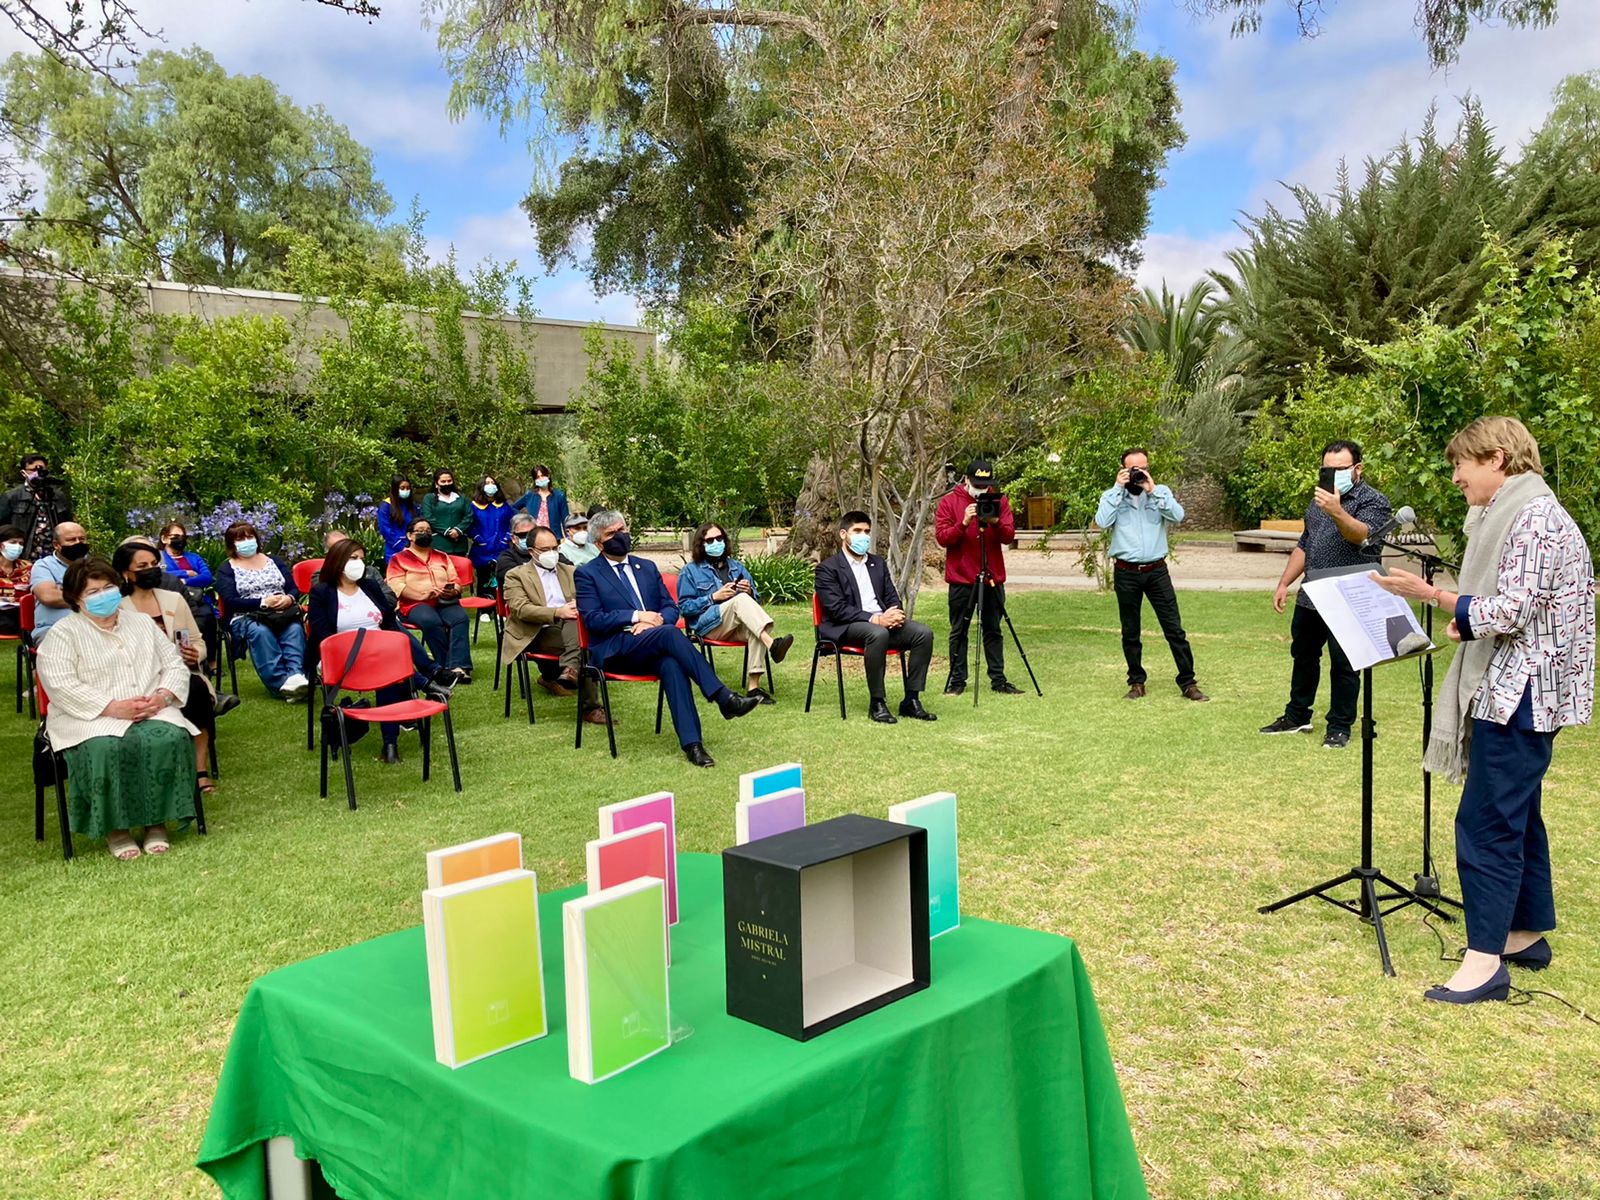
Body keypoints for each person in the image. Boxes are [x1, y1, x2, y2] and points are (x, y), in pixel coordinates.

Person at [1371, 416, 1595, 1005]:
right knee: (1519, 813)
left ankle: (1484, 961)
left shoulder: (1533, 518)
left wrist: (1438, 598)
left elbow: (1512, 608)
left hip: (1522, 691)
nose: (1455, 478)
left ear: (1497, 459)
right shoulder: (1526, 511)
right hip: (1527, 687)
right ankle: (1524, 934)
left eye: (1461, 465)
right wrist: (1458, 606)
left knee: (1486, 821)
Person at [35, 557, 197, 861]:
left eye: (108, 588)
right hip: (89, 717)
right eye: (92, 592)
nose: (103, 596)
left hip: (151, 706)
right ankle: (116, 829)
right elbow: (60, 685)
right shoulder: (63, 634)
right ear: (75, 599)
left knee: (167, 737)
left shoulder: (141, 623)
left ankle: (156, 823)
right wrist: (111, 707)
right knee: (106, 748)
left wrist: (162, 697)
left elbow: (174, 664)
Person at [574, 510, 760, 766]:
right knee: (670, 635)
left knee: (672, 665)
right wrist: (637, 617)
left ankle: (693, 746)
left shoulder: (646, 567)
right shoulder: (587, 574)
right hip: (615, 650)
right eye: (611, 534)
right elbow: (593, 618)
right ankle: (723, 697)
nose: (620, 536)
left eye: (622, 529)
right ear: (598, 543)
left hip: (654, 643)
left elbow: (671, 607)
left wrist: (657, 621)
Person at [1260, 441, 1393, 749]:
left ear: (1357, 469)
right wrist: (1284, 583)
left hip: (1351, 596)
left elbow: (1361, 535)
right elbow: (1305, 544)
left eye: (1340, 469)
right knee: (1303, 655)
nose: (1332, 475)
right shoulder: (1317, 501)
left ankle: (1339, 725)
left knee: (1344, 663)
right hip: (1313, 594)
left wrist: (1336, 511)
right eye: (1326, 469)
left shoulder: (1374, 501)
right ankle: (1297, 716)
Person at [308, 538, 455, 765]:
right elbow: (324, 635)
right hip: (340, 657)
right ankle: (426, 684)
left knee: (389, 668)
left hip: (379, 654)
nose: (359, 564)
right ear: (338, 561)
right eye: (353, 558)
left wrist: (382, 646)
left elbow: (387, 622)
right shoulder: (322, 592)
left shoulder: (369, 587)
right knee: (388, 666)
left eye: (362, 559)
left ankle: (390, 744)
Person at [1094, 449, 1208, 703]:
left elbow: (1178, 516)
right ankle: (1136, 682)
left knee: (1174, 629)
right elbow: (1102, 522)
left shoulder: (1160, 492)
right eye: (1133, 469)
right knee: (1130, 630)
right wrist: (1116, 488)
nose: (1138, 473)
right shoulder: (1112, 496)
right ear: (1123, 469)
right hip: (1126, 572)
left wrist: (1152, 490)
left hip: (1156, 571)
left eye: (1143, 467)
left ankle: (1188, 682)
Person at [114, 541, 223, 795]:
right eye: (142, 566)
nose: (151, 570)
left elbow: (197, 639)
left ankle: (200, 771)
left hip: (182, 671)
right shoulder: (118, 606)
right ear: (125, 573)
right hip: (138, 678)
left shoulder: (172, 599)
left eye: (154, 564)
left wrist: (195, 654)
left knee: (195, 689)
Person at [815, 511, 936, 724]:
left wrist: (895, 613)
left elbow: (891, 596)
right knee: (877, 633)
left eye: (867, 532)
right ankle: (877, 702)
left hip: (881, 625)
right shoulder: (828, 568)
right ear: (843, 534)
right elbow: (836, 609)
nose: (863, 536)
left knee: (922, 634)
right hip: (846, 627)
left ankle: (911, 699)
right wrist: (875, 619)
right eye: (857, 531)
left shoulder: (877, 563)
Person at [676, 522, 793, 703]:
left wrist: (749, 592)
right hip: (707, 625)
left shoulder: (737, 567)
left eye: (719, 538)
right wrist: (713, 597)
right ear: (701, 544)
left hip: (733, 623)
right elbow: (684, 608)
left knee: (756, 628)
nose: (716, 543)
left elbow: (757, 603)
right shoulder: (690, 571)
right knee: (740, 602)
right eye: (710, 540)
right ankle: (773, 646)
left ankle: (754, 689)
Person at [936, 459, 1022, 696]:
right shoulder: (949, 501)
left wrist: (994, 522)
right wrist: (963, 523)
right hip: (961, 579)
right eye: (977, 484)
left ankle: (998, 679)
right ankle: (957, 680)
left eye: (986, 485)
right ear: (966, 480)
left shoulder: (999, 501)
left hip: (992, 577)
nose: (982, 489)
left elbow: (1009, 536)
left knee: (993, 629)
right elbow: (943, 538)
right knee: (959, 630)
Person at [502, 526, 605, 721]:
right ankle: (589, 705)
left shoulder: (571, 571)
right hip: (535, 631)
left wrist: (579, 604)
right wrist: (558, 612)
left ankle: (571, 669)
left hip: (569, 629)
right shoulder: (516, 575)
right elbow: (521, 609)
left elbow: (592, 599)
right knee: (587, 647)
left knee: (578, 622)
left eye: (555, 548)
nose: (552, 553)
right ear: (531, 551)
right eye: (545, 549)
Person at [215, 522, 308, 700]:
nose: (247, 541)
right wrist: (263, 602)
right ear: (231, 544)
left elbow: (293, 588)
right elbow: (230, 601)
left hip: (282, 612)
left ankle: (296, 677)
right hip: (246, 616)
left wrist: (288, 598)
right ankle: (280, 685)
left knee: (294, 629)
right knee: (261, 632)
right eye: (240, 539)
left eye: (250, 537)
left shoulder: (275, 561)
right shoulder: (226, 568)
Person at [386, 517, 474, 681]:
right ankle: (445, 667)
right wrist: (421, 595)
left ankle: (459, 666)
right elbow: (395, 585)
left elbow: (455, 580)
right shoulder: (398, 559)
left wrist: (453, 590)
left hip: (443, 601)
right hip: (414, 604)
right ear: (410, 536)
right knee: (431, 621)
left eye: (427, 531)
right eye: (420, 531)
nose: (424, 533)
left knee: (460, 618)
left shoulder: (442, 556)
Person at [0, 453, 73, 561]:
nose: (38, 473)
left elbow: (68, 523)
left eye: (42, 469)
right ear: (23, 473)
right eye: (33, 470)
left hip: (53, 553)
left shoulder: (57, 496)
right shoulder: (12, 496)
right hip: (25, 554)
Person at [30, 521, 91, 643]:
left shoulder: (94, 565)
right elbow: (49, 597)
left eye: (82, 539)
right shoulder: (43, 566)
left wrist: (64, 591)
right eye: (71, 540)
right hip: (53, 629)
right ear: (56, 545)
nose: (78, 543)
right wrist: (91, 596)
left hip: (93, 627)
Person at [470, 473, 512, 592]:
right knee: (484, 581)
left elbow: (512, 522)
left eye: (493, 483)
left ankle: (500, 609)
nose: (490, 485)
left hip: (501, 548)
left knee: (502, 581)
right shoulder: (474, 506)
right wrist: (477, 538)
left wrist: (507, 537)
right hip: (483, 550)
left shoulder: (503, 505)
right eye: (487, 483)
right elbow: (469, 524)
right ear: (481, 486)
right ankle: (484, 609)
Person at [418, 469, 474, 558]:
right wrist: (447, 532)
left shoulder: (461, 498)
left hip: (459, 544)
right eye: (443, 481)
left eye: (449, 481)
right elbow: (428, 517)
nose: (447, 484)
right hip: (438, 544)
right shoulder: (429, 498)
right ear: (436, 483)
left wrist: (458, 530)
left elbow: (469, 516)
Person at [512, 464, 569, 532]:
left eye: (542, 475)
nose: (541, 479)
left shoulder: (559, 495)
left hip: (554, 536)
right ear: (535, 480)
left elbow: (566, 519)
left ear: (548, 475)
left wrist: (567, 537)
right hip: (534, 535)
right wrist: (524, 519)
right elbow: (513, 507)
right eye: (537, 477)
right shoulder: (530, 495)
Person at [159, 522, 213, 592]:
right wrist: (186, 573)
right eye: (176, 536)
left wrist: (184, 581)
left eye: (183, 537)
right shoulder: (157, 558)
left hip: (195, 599)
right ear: (164, 539)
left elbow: (207, 577)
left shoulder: (194, 558)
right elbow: (158, 576)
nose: (180, 539)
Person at [0, 523, 31, 637]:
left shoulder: (27, 567)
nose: (18, 546)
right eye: (13, 542)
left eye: (21, 543)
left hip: (20, 612)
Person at [377, 476, 417, 563]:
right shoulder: (386, 506)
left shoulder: (412, 506)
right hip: (394, 549)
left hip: (413, 547)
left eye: (408, 488)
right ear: (395, 489)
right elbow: (385, 529)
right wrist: (401, 546)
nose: (405, 491)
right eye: (402, 488)